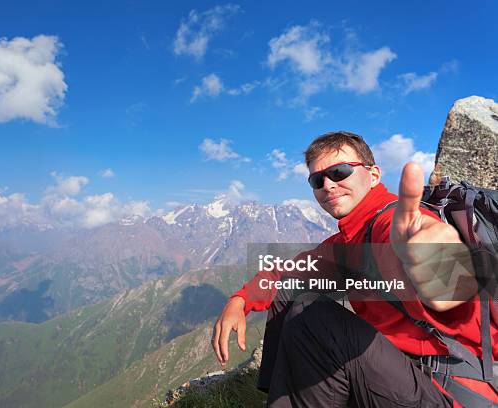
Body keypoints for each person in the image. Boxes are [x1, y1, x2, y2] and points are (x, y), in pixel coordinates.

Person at [211, 131, 497, 407]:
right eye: (317, 180)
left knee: (313, 317)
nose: (328, 185)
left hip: (454, 391)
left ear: (373, 175)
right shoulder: (348, 240)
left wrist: (441, 272)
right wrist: (241, 299)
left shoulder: (392, 225)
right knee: (288, 294)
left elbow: (456, 295)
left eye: (340, 172)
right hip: (407, 373)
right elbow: (287, 272)